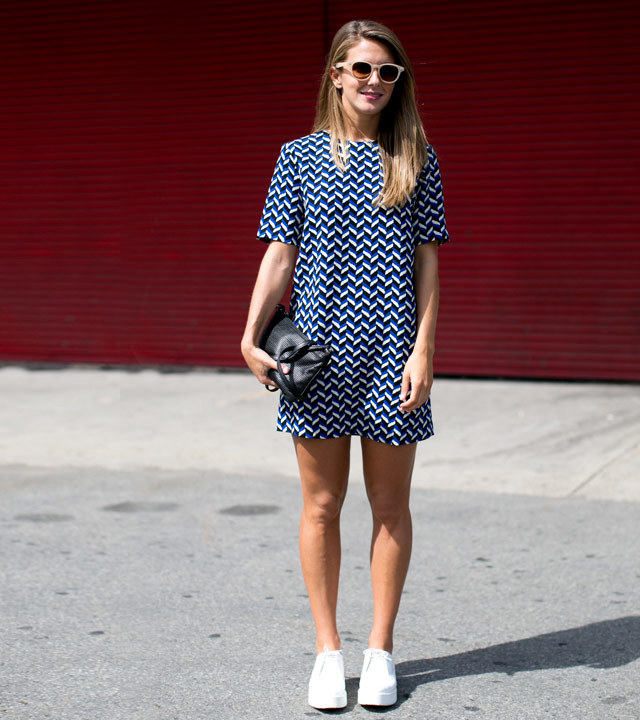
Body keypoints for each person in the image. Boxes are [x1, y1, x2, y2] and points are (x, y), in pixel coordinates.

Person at [241, 19, 449, 709]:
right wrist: (249, 335)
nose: (373, 82)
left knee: (390, 506)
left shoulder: (415, 157)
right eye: (361, 69)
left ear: (399, 83)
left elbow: (427, 264)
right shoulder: (297, 158)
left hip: (392, 353)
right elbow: (279, 255)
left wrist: (423, 349)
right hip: (317, 357)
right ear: (336, 75)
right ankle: (328, 652)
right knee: (321, 506)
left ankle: (380, 650)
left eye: (387, 73)